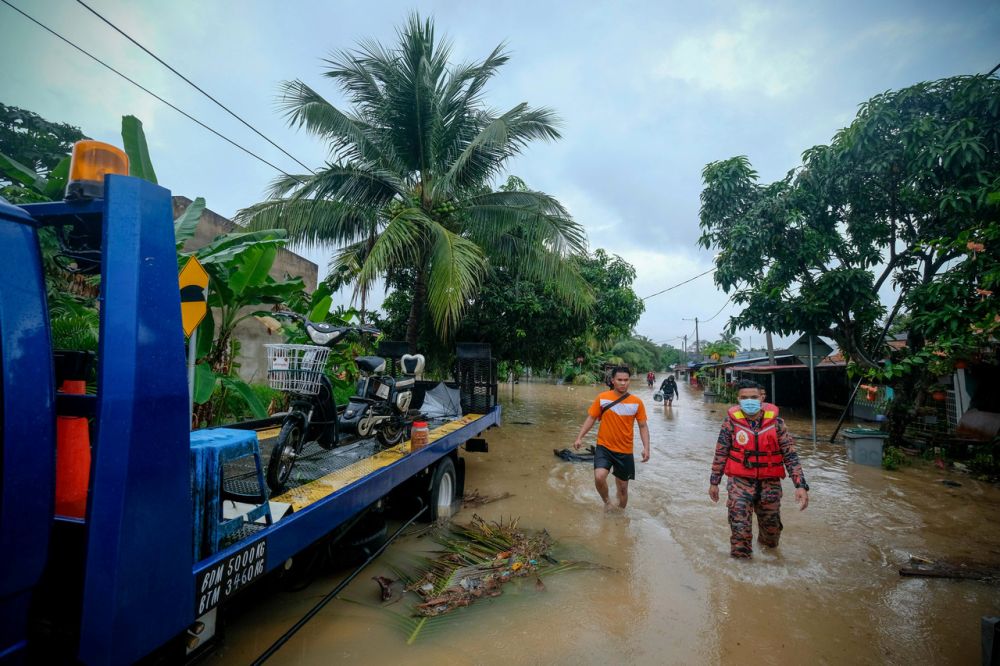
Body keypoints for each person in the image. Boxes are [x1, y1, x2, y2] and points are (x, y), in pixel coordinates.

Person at [708, 379, 809, 558]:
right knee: (740, 532)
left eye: (753, 397)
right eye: (744, 397)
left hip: (770, 484)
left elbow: (790, 455)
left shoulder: (777, 424)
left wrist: (800, 485)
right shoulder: (730, 424)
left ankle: (770, 563)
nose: (749, 401)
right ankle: (741, 578)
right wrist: (714, 482)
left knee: (771, 536)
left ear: (762, 398)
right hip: (740, 483)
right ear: (738, 399)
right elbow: (720, 454)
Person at [573, 366, 651, 510]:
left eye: (626, 380)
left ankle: (620, 515)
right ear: (613, 381)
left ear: (629, 381)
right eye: (619, 380)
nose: (623, 383)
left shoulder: (637, 402)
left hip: (625, 450)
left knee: (622, 488)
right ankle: (607, 502)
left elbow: (643, 426)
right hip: (604, 447)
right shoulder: (602, 398)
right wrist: (580, 437)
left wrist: (646, 448)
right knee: (599, 477)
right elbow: (591, 418)